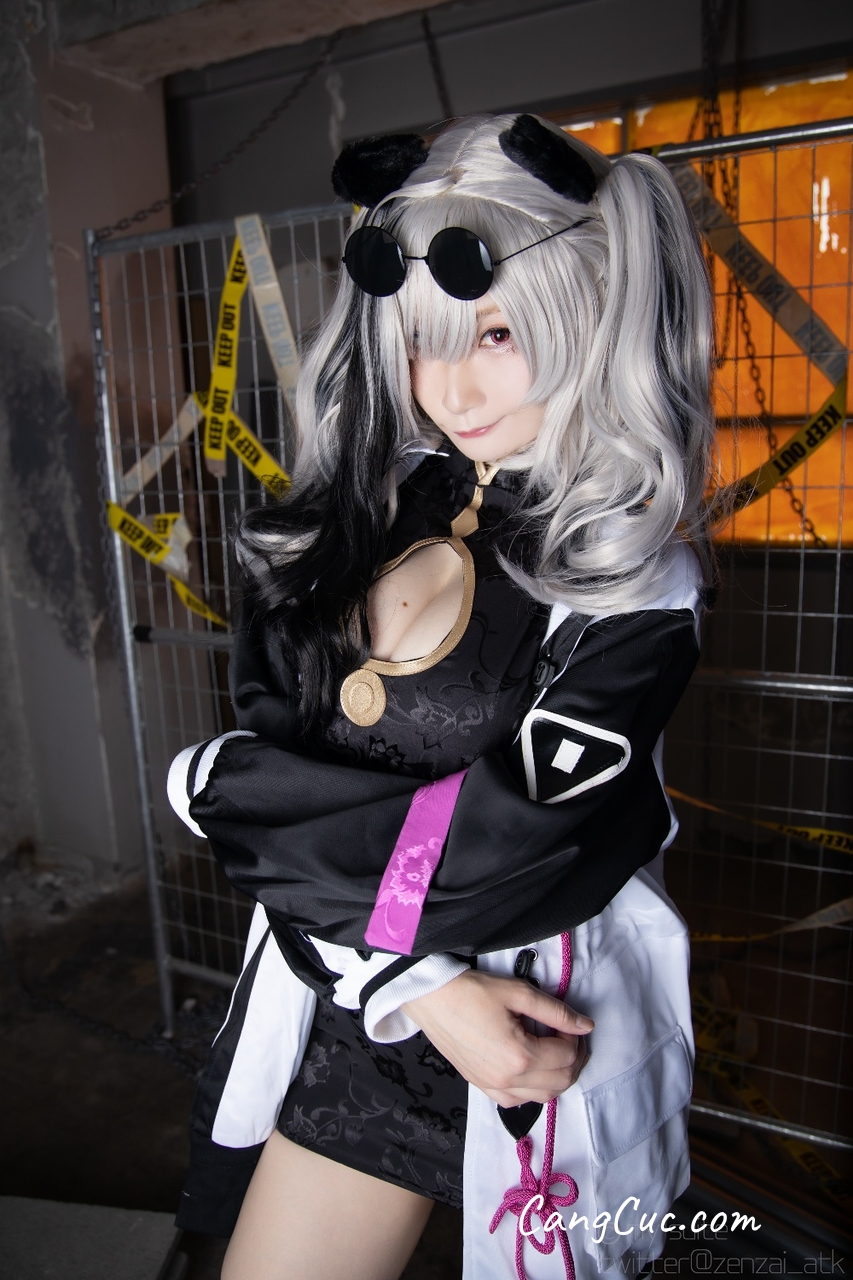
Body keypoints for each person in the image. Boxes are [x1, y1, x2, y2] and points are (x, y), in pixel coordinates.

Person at [168, 113, 716, 1280]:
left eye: (497, 332)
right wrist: (417, 983)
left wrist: (227, 795)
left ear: (588, 312)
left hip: (532, 1033)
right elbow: (270, 741)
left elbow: (509, 842)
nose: (451, 385)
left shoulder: (631, 573)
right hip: (358, 1000)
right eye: (421, 339)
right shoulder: (375, 500)